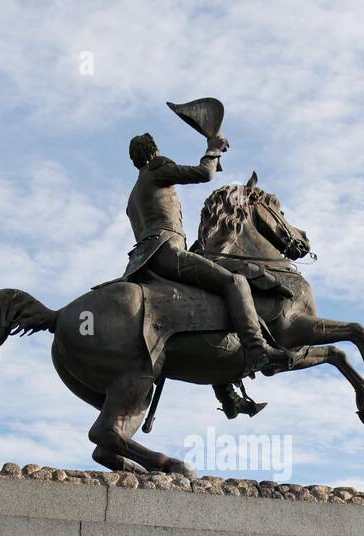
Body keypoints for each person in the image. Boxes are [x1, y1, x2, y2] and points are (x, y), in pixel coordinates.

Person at [123, 131, 292, 374]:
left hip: (144, 261)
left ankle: (227, 392)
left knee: (207, 301)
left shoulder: (134, 195)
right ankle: (258, 349)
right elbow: (204, 173)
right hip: (167, 251)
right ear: (153, 152)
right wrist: (213, 149)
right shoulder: (156, 170)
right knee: (234, 282)